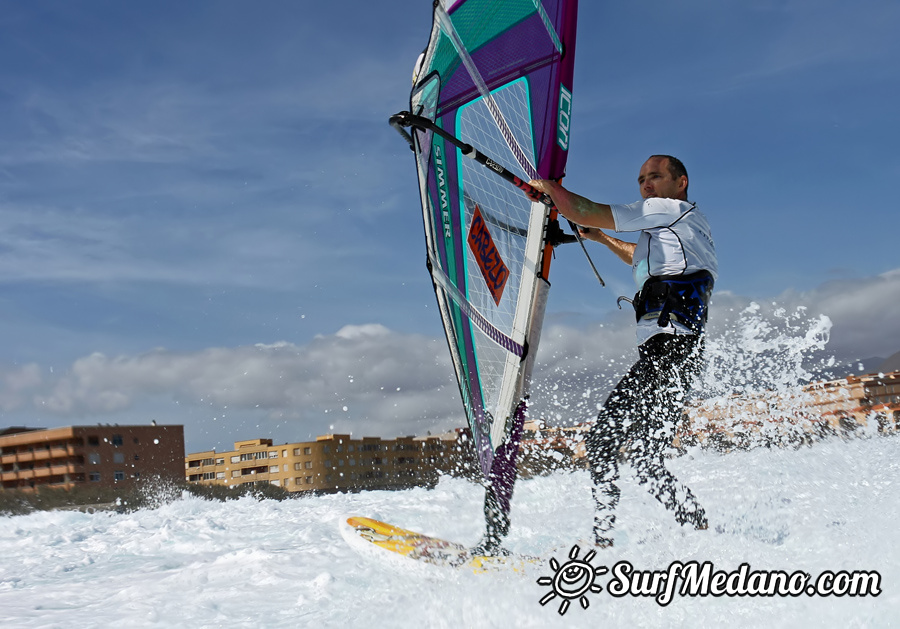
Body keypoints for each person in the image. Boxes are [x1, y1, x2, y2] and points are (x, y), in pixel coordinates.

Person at [528, 155, 717, 547]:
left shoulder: (666, 209)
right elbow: (641, 257)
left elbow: (586, 210)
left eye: (655, 177)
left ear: (680, 182)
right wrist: (598, 239)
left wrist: (549, 188)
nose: (646, 185)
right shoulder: (684, 226)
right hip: (680, 354)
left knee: (601, 442)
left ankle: (602, 543)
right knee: (647, 461)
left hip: (669, 350)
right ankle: (700, 528)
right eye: (641, 179)